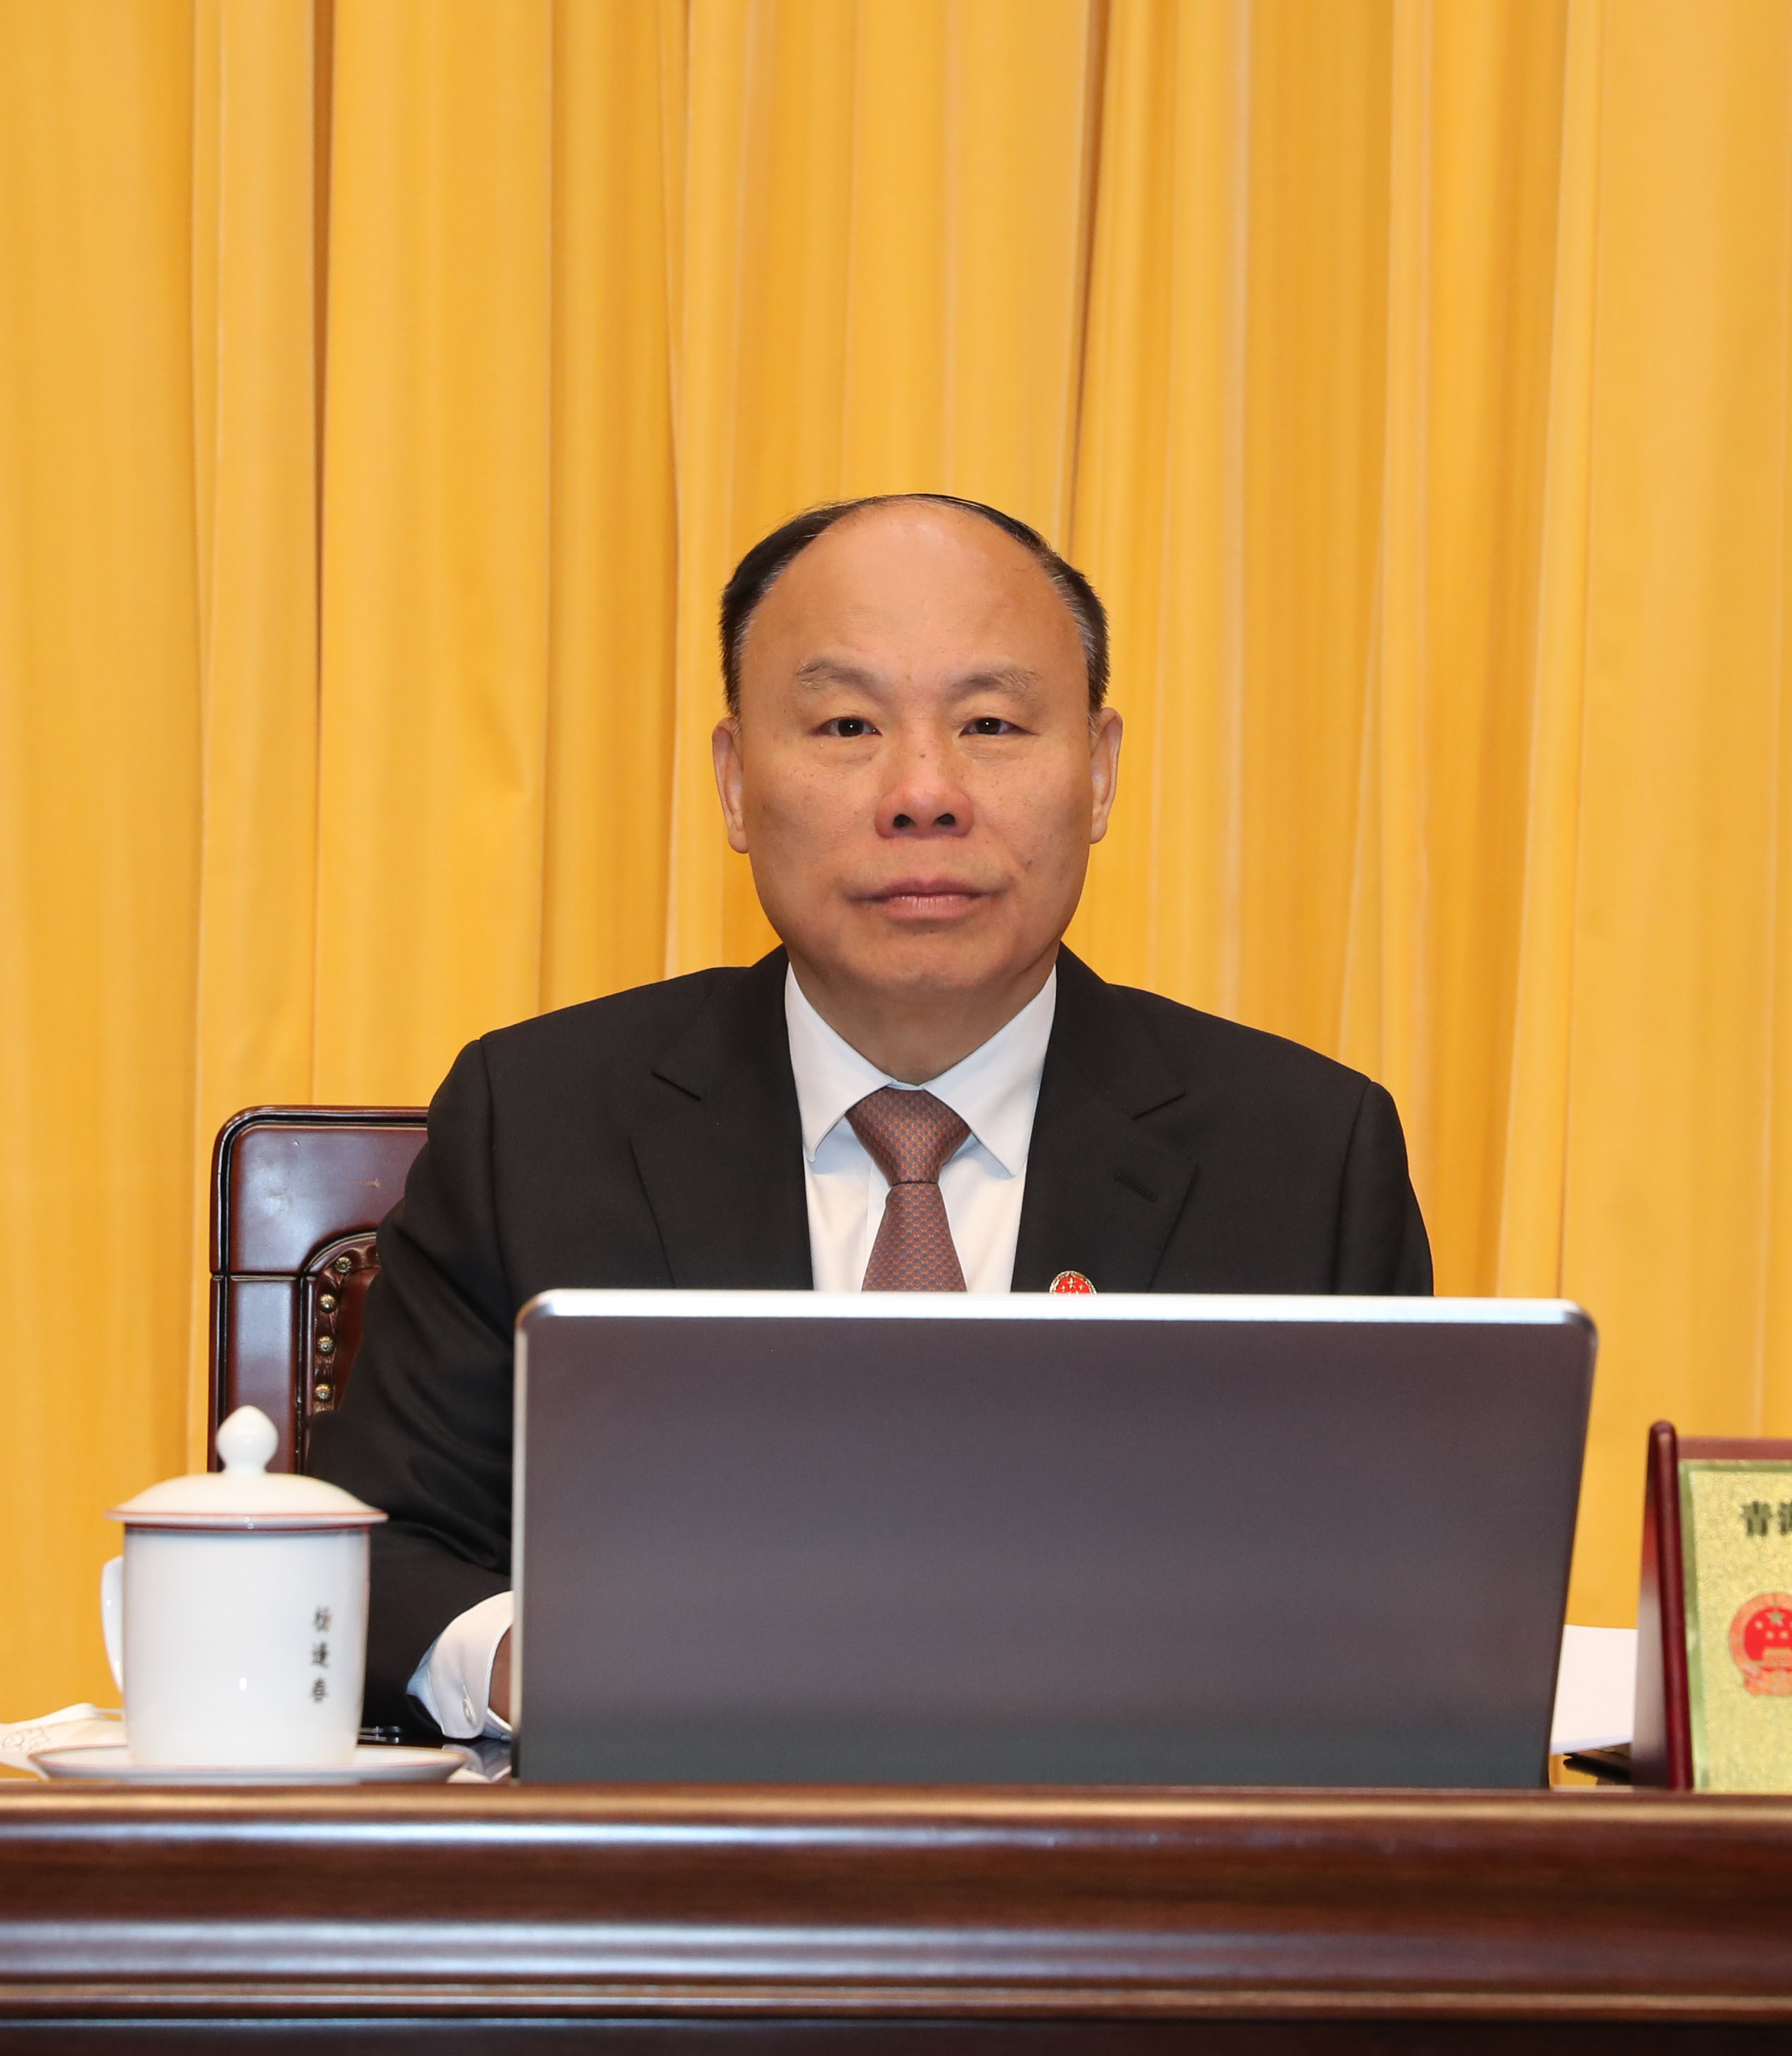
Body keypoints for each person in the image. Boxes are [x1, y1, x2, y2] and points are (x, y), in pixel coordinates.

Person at [310, 493, 1434, 1738]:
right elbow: (376, 1549)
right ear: (736, 784)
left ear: (1100, 772)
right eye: (847, 724)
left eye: (991, 724)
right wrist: (543, 1665)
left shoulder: (1303, 1156)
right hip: (679, 1853)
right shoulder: (538, 1124)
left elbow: (1406, 1618)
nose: (923, 792)